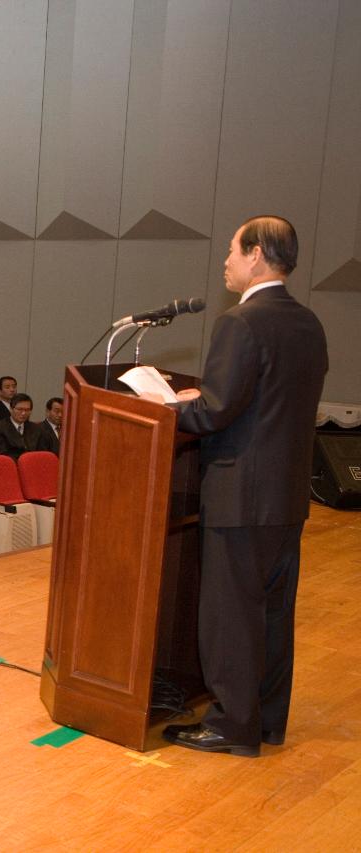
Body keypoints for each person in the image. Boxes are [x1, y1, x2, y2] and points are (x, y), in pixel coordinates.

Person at [162, 216, 328, 758]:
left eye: (232, 251)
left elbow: (215, 413)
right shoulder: (308, 324)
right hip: (285, 497)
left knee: (230, 614)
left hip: (240, 495)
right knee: (273, 614)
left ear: (256, 254)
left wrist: (168, 409)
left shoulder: (242, 322)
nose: (226, 262)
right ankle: (267, 721)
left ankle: (232, 726)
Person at [0, 393, 38, 460]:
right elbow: (2, 454)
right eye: (20, 409)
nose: (23, 413)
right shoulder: (0, 428)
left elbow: (40, 452)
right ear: (11, 409)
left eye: (27, 410)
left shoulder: (35, 428)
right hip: (11, 465)